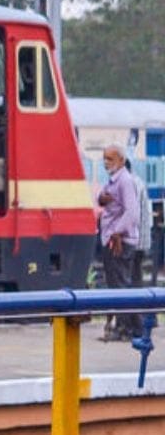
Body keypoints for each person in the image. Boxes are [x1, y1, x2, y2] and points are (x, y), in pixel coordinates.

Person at [97, 143, 146, 340]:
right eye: (105, 158)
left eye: (110, 158)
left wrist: (117, 232)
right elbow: (102, 198)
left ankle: (125, 329)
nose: (106, 162)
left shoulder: (124, 180)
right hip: (111, 239)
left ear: (121, 160)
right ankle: (124, 327)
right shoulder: (112, 181)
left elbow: (132, 212)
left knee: (121, 285)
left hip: (120, 241)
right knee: (116, 285)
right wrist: (101, 198)